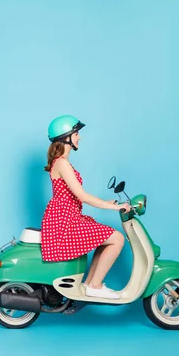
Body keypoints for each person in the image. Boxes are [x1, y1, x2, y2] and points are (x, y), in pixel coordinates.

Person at [40, 115, 132, 299]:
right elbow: (81, 195)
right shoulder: (62, 163)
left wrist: (107, 203)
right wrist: (114, 208)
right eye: (76, 133)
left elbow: (76, 194)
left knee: (104, 239)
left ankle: (90, 285)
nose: (79, 137)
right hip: (65, 220)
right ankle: (95, 286)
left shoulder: (61, 162)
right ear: (66, 136)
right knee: (118, 239)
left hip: (67, 216)